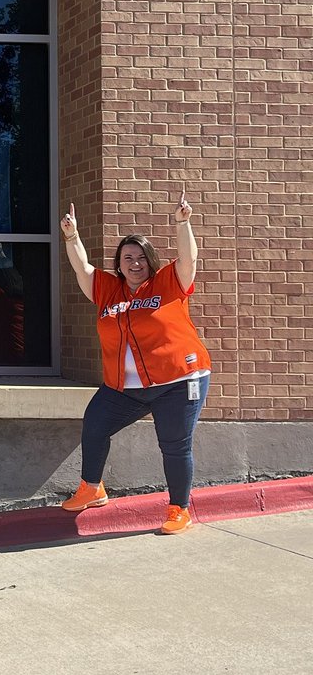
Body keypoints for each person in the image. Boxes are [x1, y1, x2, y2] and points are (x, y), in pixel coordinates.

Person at [58, 191, 212, 535]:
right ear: (119, 263)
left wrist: (182, 223)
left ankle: (178, 509)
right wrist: (72, 236)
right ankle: (92, 488)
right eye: (128, 257)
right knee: (95, 422)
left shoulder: (170, 282)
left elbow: (189, 259)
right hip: (125, 388)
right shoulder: (108, 290)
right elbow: (82, 266)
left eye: (141, 257)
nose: (135, 263)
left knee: (174, 443)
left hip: (178, 380)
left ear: (151, 261)